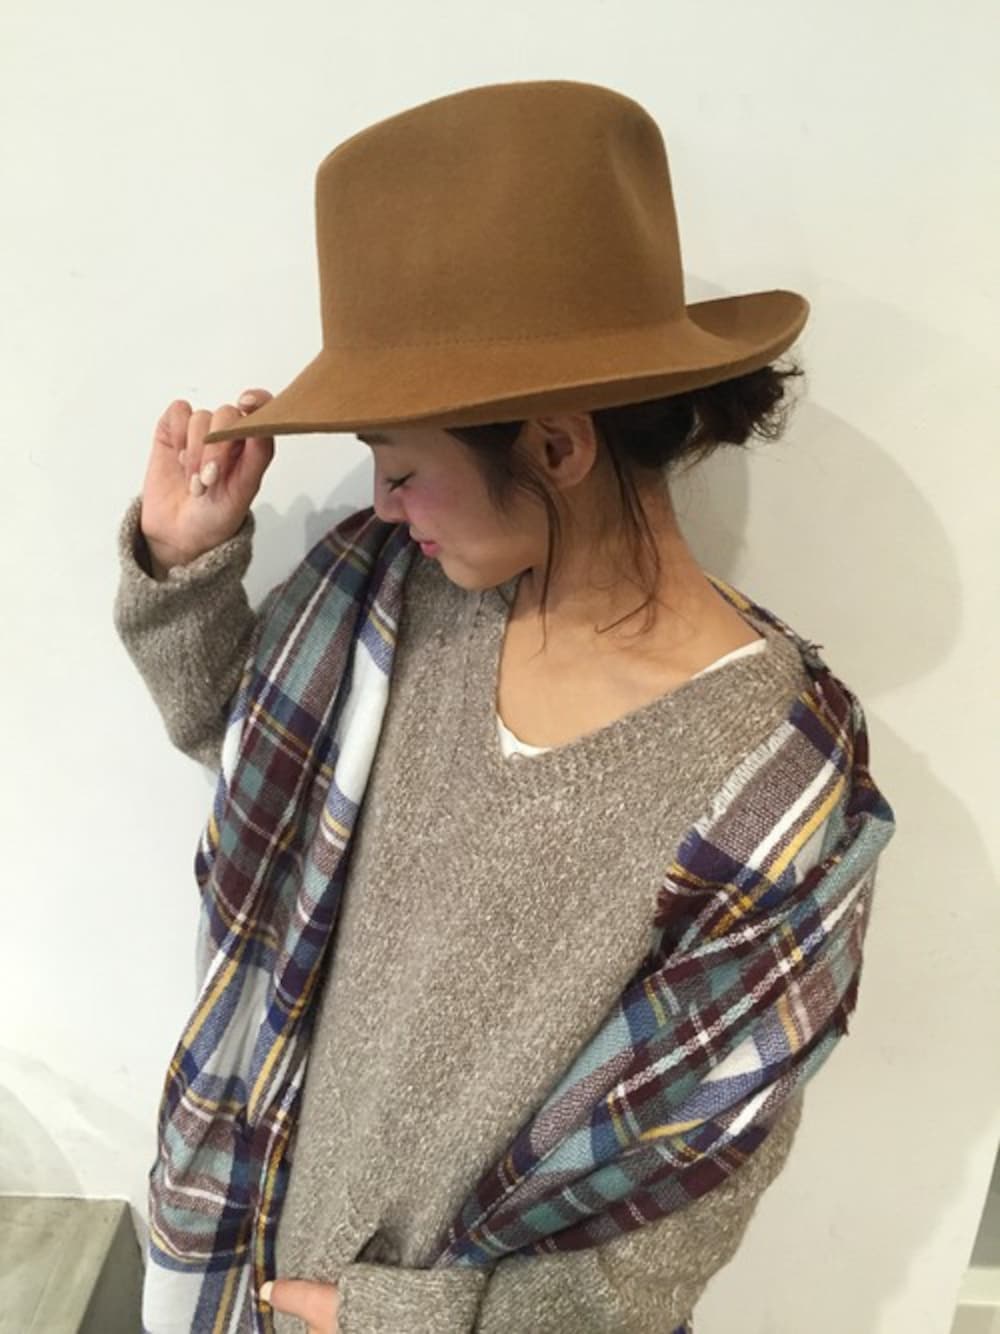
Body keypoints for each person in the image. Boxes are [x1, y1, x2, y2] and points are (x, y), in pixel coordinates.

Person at [113, 80, 895, 1334]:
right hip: (246, 1253)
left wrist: (408, 1320)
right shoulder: (391, 598)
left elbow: (691, 1188)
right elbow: (246, 749)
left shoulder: (776, 784)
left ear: (557, 446)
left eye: (402, 463)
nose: (381, 502)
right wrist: (183, 562)